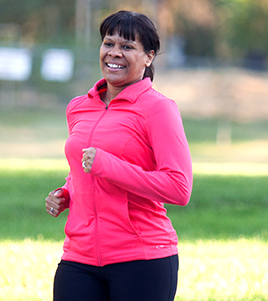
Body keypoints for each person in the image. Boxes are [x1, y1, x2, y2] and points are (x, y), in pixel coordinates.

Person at [45, 10, 193, 301]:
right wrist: (66, 191)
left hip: (142, 258)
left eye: (127, 47)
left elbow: (179, 187)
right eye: (108, 43)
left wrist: (108, 166)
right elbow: (82, 168)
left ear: (149, 57)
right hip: (79, 257)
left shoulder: (158, 109)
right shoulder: (78, 107)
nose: (115, 53)